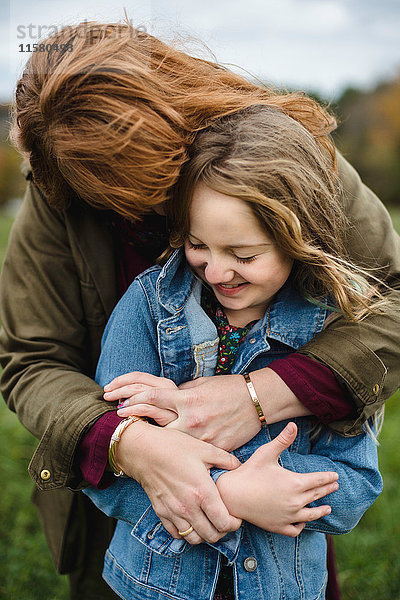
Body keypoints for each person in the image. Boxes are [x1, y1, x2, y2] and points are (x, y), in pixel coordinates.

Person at [1, 21, 399, 600]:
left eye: (156, 193)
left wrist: (262, 394)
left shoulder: (275, 161)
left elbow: (386, 299)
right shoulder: (63, 180)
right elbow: (33, 358)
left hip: (279, 564)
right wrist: (128, 445)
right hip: (137, 544)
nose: (211, 272)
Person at [83, 105, 383, 600]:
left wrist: (245, 486)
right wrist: (231, 491)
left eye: (244, 255)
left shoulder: (335, 331)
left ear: (300, 238)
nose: (217, 272)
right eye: (197, 244)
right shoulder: (148, 307)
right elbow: (102, 469)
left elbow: (355, 487)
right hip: (154, 586)